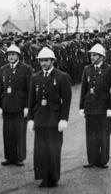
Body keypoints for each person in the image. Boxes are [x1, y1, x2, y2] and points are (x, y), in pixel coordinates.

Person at [27, 47, 72, 188]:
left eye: (46, 60)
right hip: (40, 119)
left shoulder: (61, 77)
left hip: (54, 119)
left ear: (52, 61)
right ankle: (43, 177)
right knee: (41, 150)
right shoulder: (35, 77)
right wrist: (30, 118)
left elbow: (67, 100)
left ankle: (53, 178)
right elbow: (31, 100)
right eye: (41, 61)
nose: (43, 63)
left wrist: (64, 118)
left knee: (53, 149)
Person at [79, 43, 111, 169]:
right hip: (90, 107)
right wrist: (81, 107)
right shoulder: (87, 69)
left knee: (103, 135)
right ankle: (92, 160)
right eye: (91, 55)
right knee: (90, 135)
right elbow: (83, 89)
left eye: (95, 55)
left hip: (103, 107)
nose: (92, 57)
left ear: (102, 56)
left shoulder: (110, 69)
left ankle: (103, 160)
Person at [0, 44, 33, 166]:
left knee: (19, 132)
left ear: (18, 56)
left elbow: (30, 90)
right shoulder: (3, 69)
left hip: (20, 105)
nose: (11, 57)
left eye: (13, 54)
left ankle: (19, 157)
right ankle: (9, 157)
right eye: (9, 55)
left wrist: (28, 106)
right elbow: (0, 89)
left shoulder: (26, 69)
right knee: (8, 133)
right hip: (7, 104)